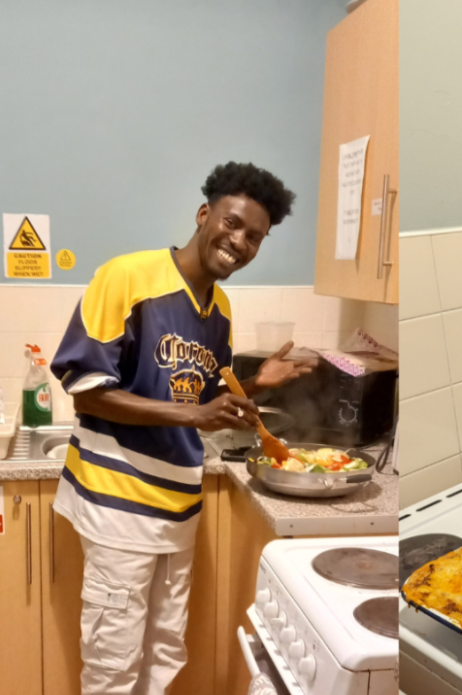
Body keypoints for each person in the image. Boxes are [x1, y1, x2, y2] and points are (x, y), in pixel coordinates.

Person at [50, 162, 312, 695]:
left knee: (166, 653)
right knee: (113, 665)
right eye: (233, 223)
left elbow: (199, 397)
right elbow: (85, 388)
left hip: (178, 511)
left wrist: (254, 385)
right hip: (117, 506)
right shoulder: (127, 277)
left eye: (255, 237)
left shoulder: (220, 310)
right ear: (204, 214)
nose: (239, 242)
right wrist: (193, 415)